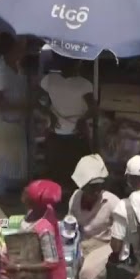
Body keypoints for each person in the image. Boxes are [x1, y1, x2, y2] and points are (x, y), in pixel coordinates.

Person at [66, 154, 119, 279]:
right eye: (91, 188)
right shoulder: (75, 197)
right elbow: (70, 222)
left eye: (99, 187)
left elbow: (121, 232)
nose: (96, 191)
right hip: (80, 242)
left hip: (104, 245)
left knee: (87, 273)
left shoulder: (112, 202)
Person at [40, 55, 94, 202]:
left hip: (56, 132)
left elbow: (37, 98)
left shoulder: (49, 80)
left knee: (57, 169)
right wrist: (82, 120)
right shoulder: (84, 84)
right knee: (76, 169)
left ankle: (57, 197)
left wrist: (49, 114)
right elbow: (93, 108)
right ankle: (73, 199)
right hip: (76, 134)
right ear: (78, 64)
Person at [0, 33, 30, 199]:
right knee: (8, 157)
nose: (22, 51)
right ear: (8, 51)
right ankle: (2, 190)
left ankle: (17, 186)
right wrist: (20, 106)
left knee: (19, 155)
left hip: (19, 119)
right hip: (7, 121)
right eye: (18, 48)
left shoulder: (18, 67)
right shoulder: (1, 72)